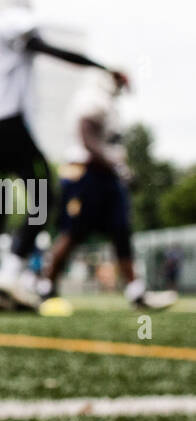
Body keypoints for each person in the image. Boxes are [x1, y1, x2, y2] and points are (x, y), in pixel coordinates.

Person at [0, 0, 127, 310]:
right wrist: (99, 66)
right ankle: (11, 271)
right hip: (8, 123)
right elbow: (42, 46)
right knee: (43, 198)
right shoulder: (10, 24)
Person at [39, 73, 177, 312]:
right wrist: (119, 168)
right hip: (86, 174)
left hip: (106, 177)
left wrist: (117, 170)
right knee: (73, 232)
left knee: (121, 231)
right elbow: (86, 135)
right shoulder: (94, 97)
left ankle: (136, 292)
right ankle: (45, 286)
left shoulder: (107, 103)